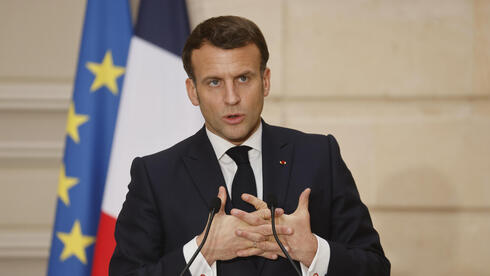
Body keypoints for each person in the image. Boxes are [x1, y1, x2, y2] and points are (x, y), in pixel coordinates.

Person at [109, 16, 390, 276]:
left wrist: (313, 250)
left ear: (265, 81)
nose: (231, 98)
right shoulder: (155, 175)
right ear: (193, 91)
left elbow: (375, 267)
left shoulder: (318, 156)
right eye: (214, 82)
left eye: (243, 78)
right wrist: (203, 251)